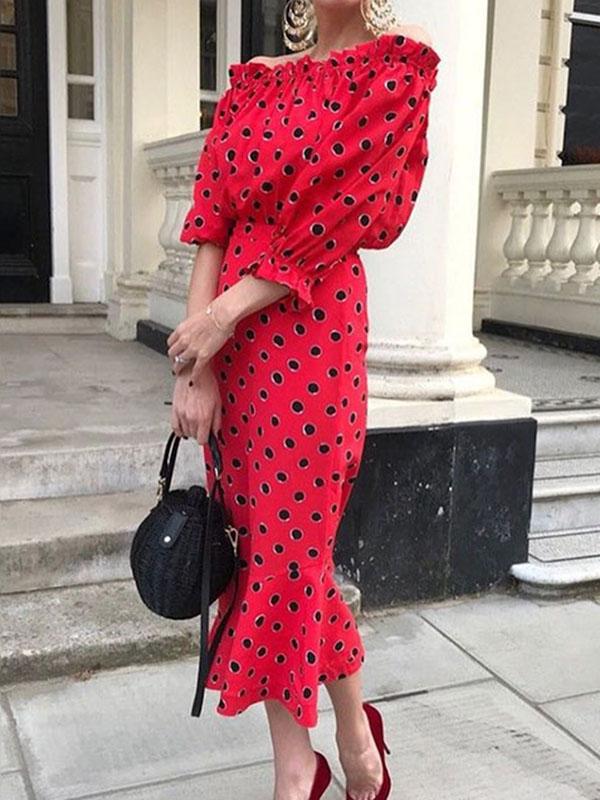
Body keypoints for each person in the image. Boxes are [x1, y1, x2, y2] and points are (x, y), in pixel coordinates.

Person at [167, 2, 440, 798]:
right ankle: (332, 753)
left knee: (291, 554)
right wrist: (194, 363)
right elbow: (212, 219)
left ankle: (312, 767)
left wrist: (221, 317)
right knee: (263, 554)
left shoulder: (395, 67)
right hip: (231, 353)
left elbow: (341, 218)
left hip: (312, 338)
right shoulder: (255, 81)